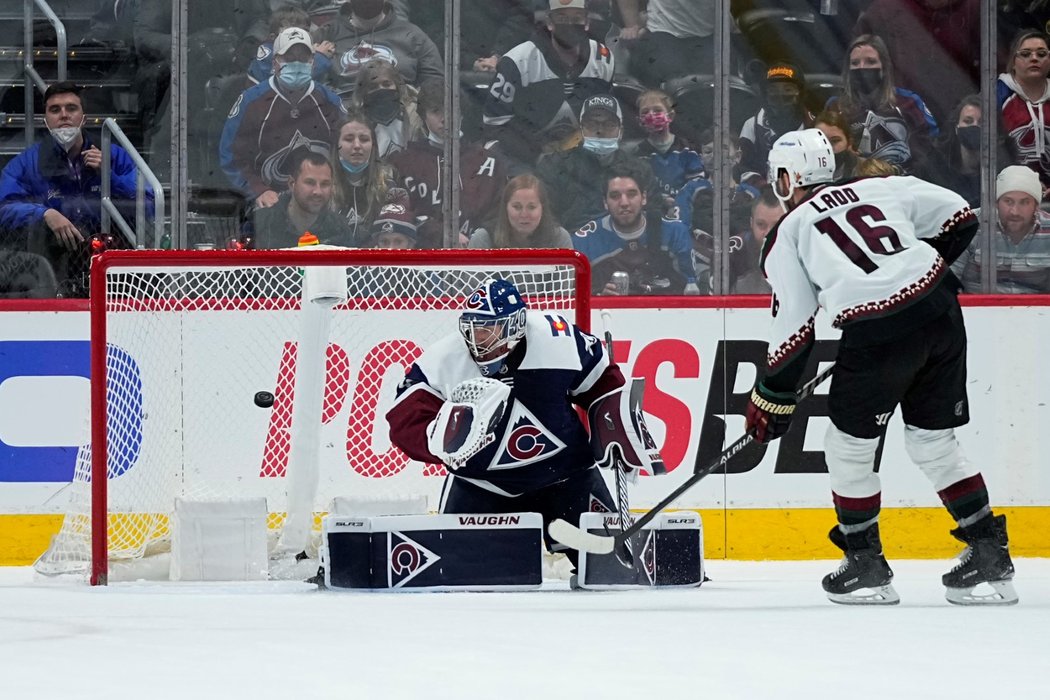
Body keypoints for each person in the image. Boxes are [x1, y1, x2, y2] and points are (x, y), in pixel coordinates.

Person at [746, 128, 1016, 606]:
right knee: (934, 441)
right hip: (940, 311)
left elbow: (795, 327)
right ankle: (989, 555)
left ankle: (865, 564)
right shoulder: (882, 186)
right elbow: (960, 214)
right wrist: (915, 271)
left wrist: (773, 399)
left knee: (848, 446)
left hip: (878, 335)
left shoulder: (787, 232)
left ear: (787, 179)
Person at [386, 278, 662, 565]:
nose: (478, 339)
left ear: (516, 324)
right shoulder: (445, 359)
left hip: (566, 477)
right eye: (474, 329)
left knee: (616, 568)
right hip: (483, 486)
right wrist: (439, 439)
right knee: (456, 574)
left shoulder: (557, 337)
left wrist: (615, 424)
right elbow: (404, 420)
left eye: (488, 329)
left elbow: (601, 382)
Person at [0, 82, 154, 297]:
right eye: (55, 110)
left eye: (71, 108)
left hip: (112, 260)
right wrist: (44, 213)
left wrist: (109, 177)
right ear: (45, 121)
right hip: (56, 261)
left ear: (84, 117)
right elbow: (4, 207)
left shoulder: (114, 155)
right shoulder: (27, 162)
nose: (64, 115)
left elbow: (148, 203)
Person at [220, 27, 347, 209]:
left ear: (313, 62)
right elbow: (231, 155)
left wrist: (335, 189)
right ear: (275, 63)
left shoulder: (331, 102)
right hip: (268, 202)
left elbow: (346, 151)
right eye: (289, 58)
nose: (297, 63)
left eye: (303, 58)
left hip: (322, 198)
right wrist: (257, 190)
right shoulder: (251, 101)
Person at [482, 0, 615, 170]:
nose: (570, 24)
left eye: (577, 17)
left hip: (575, 155)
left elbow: (603, 115)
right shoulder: (517, 61)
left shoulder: (603, 59)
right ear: (549, 23)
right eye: (562, 17)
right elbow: (495, 126)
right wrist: (538, 156)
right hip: (521, 153)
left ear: (587, 22)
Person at [389, 79, 507, 248]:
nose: (445, 118)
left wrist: (479, 239)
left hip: (479, 257)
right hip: (422, 260)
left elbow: (500, 214)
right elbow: (400, 214)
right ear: (423, 116)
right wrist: (441, 234)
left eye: (451, 109)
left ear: (462, 113)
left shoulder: (489, 162)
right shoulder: (404, 163)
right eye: (436, 111)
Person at [571, 162, 697, 295]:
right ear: (605, 203)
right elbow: (571, 298)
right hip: (606, 315)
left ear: (644, 198)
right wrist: (598, 299)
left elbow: (691, 292)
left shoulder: (674, 232)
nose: (624, 203)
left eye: (631, 194)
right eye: (615, 196)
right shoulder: (585, 241)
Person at [538, 94, 656, 233]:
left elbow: (654, 215)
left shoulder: (640, 171)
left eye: (609, 124)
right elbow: (546, 217)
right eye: (592, 124)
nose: (600, 131)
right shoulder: (554, 165)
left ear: (621, 131)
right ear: (581, 129)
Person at [853, 0, 981, 127]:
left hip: (960, 128)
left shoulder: (977, 9)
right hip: (900, 125)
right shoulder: (884, 10)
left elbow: (995, 74)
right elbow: (858, 72)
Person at [825, 34, 938, 176]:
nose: (862, 68)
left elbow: (930, 149)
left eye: (870, 62)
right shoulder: (836, 106)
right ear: (848, 69)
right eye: (855, 63)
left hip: (904, 182)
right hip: (854, 185)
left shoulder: (909, 102)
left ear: (884, 67)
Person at [952, 165, 1050, 294]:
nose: (1015, 211)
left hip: (1038, 311)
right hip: (976, 310)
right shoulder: (970, 224)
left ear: (1036, 206)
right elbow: (950, 281)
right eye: (1008, 201)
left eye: (1025, 202)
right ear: (996, 202)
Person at [320, 0, 443, 92]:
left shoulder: (412, 35)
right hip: (343, 116)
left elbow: (435, 83)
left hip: (401, 115)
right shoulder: (327, 33)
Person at [244, 150, 353, 249]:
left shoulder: (340, 229)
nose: (317, 191)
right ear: (292, 183)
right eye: (310, 183)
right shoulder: (260, 223)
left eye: (325, 184)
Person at [737, 62, 815, 182]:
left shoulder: (814, 127)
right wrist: (762, 189)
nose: (780, 96)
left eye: (788, 90)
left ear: (800, 93)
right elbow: (744, 168)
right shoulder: (752, 125)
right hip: (763, 195)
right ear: (765, 94)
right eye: (773, 90)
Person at [330, 113, 399, 246]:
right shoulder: (322, 187)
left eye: (364, 139)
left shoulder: (388, 187)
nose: (357, 145)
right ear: (336, 145)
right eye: (349, 139)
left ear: (373, 146)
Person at [632, 89, 707, 209]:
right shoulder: (637, 154)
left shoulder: (687, 150)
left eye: (657, 110)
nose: (651, 115)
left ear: (670, 116)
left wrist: (681, 201)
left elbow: (697, 185)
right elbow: (637, 189)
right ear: (639, 120)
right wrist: (660, 199)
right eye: (645, 112)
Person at [615, 0, 715, 87]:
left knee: (716, 84)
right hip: (663, 31)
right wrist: (632, 26)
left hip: (710, 35)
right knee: (668, 83)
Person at [998, 29, 1050, 190]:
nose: (1034, 58)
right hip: (1010, 189)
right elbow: (988, 149)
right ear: (1013, 62)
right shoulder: (996, 95)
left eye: (1041, 54)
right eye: (1026, 54)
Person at [346, 59, 424, 158]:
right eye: (373, 87)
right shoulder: (356, 120)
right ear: (363, 91)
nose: (381, 90)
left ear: (397, 85)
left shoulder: (416, 113)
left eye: (386, 84)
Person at [469, 174, 572, 249]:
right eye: (517, 207)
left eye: (531, 207)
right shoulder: (483, 239)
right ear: (506, 208)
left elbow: (568, 278)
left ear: (542, 208)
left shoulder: (559, 238)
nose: (524, 214)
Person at [247, 4, 335, 86]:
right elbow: (291, 82)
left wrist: (312, 54)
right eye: (291, 31)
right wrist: (320, 56)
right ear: (274, 37)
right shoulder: (268, 52)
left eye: (304, 30)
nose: (299, 36)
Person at [815, 109, 861, 181]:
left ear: (849, 143)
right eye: (821, 142)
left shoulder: (866, 172)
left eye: (835, 141)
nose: (828, 147)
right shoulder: (802, 177)